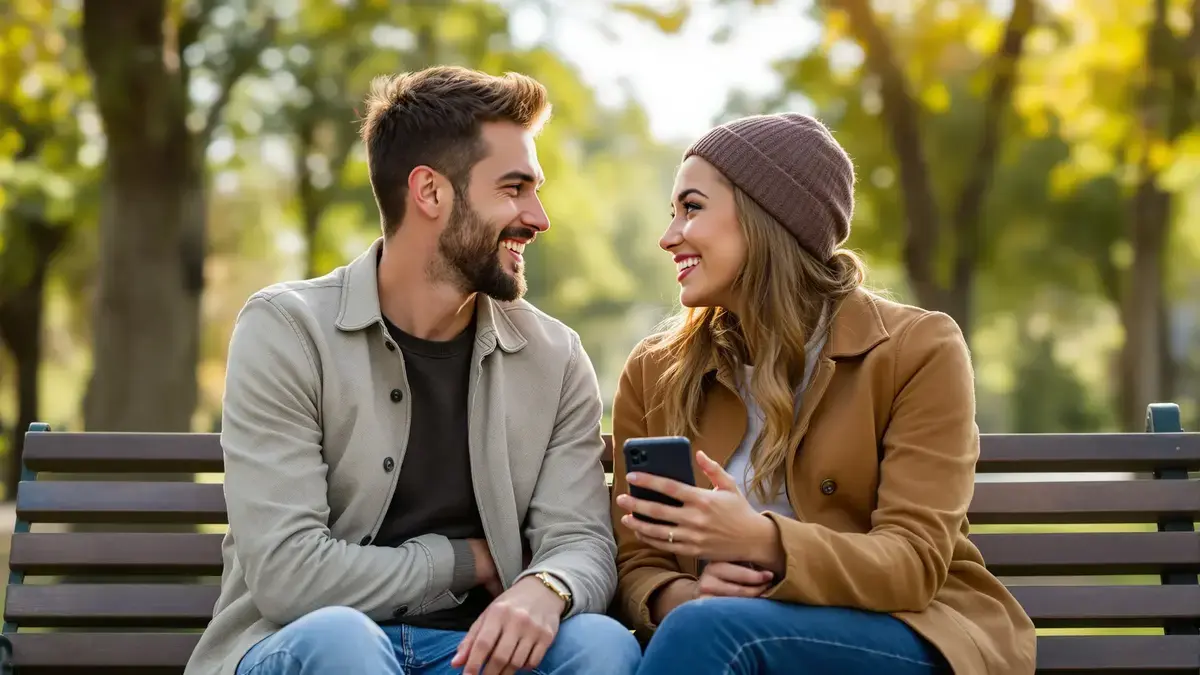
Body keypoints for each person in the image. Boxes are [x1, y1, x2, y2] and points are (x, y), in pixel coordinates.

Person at [184, 66, 640, 675]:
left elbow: (580, 540)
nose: (538, 217)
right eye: (513, 188)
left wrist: (547, 587)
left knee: (602, 645)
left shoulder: (554, 357)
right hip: (303, 646)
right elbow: (288, 575)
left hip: (479, 654)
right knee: (344, 642)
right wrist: (462, 562)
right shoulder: (287, 331)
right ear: (429, 192)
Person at [609, 113, 1037, 674]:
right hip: (719, 633)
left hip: (904, 635)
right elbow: (639, 558)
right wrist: (685, 595)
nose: (669, 237)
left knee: (714, 636)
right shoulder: (655, 370)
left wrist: (762, 541)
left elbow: (913, 564)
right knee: (703, 630)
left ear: (768, 216)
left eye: (692, 208)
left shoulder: (917, 349)